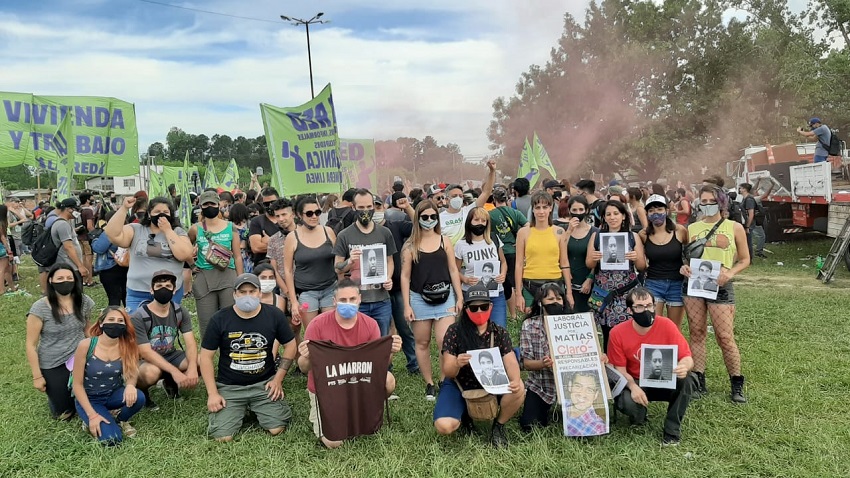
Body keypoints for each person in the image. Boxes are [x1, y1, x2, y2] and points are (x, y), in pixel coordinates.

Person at [298, 280, 402, 448]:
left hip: (357, 383)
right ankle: (339, 415)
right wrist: (306, 357)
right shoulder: (317, 325)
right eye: (343, 300)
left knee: (388, 380)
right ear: (334, 301)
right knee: (334, 442)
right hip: (328, 387)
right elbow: (304, 368)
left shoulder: (370, 324)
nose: (348, 304)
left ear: (359, 299)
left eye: (352, 299)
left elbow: (377, 366)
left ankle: (367, 409)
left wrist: (389, 351)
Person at [200, 273, 297, 442]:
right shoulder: (219, 319)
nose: (247, 296)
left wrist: (278, 379)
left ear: (259, 293)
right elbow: (206, 357)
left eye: (252, 291)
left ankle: (255, 406)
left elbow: (290, 345)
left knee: (277, 428)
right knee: (223, 437)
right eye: (242, 292)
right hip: (230, 387)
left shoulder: (274, 315)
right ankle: (240, 407)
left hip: (263, 384)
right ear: (234, 295)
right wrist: (213, 393)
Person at [434, 283, 525, 448]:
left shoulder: (499, 332)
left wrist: (515, 379)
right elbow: (447, 370)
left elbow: (510, 359)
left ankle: (499, 425)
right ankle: (464, 414)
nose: (479, 312)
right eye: (473, 308)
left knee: (519, 387)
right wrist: (457, 363)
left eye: (484, 307)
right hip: (460, 384)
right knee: (444, 426)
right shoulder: (454, 331)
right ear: (466, 309)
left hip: (492, 383)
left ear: (491, 307)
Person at [681, 184, 750, 403]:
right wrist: (684, 267)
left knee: (725, 337)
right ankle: (699, 380)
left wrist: (730, 273)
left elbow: (745, 259)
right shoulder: (692, 228)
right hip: (695, 285)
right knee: (697, 332)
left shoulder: (734, 227)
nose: (708, 205)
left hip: (721, 285)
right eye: (704, 201)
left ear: (721, 203)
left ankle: (736, 383)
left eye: (712, 201)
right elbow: (686, 256)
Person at [608, 287, 695, 446]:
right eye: (639, 307)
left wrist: (683, 366)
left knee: (687, 380)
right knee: (627, 404)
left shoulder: (667, 325)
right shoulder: (617, 333)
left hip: (664, 377)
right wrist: (633, 387)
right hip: (635, 379)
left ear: (655, 306)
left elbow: (687, 357)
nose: (646, 310)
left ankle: (671, 430)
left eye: (649, 305)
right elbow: (619, 370)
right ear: (630, 310)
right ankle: (640, 414)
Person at [401, 199, 464, 401]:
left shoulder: (444, 241)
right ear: (418, 219)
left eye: (433, 217)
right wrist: (407, 305)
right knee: (422, 342)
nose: (429, 220)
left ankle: (444, 380)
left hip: (446, 297)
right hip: (419, 298)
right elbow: (405, 276)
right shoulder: (410, 246)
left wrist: (459, 295)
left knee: (444, 342)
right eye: (425, 217)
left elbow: (454, 269)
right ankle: (429, 382)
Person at [25, 264, 95, 419]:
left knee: (93, 397)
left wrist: (101, 349)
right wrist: (37, 376)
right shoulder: (39, 308)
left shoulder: (84, 302)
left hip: (80, 357)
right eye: (60, 278)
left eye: (69, 278)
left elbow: (87, 329)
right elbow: (31, 345)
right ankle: (57, 396)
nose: (65, 281)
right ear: (51, 281)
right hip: (53, 362)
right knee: (65, 414)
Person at [105, 196, 193, 312]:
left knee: (165, 327)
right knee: (136, 326)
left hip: (169, 291)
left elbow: (185, 255)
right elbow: (113, 235)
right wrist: (124, 208)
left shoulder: (178, 232)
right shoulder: (136, 229)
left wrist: (167, 230)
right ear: (149, 214)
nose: (161, 215)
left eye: (165, 212)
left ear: (171, 215)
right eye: (157, 212)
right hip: (138, 291)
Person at [71, 307, 145, 445]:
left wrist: (130, 386)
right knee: (112, 440)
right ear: (101, 323)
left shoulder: (128, 345)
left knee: (139, 397)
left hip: (112, 394)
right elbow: (77, 385)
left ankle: (120, 419)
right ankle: (90, 418)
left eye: (120, 321)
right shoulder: (86, 345)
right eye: (111, 320)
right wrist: (92, 416)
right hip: (90, 399)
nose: (115, 323)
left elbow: (132, 372)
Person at [332, 190, 397, 336]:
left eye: (368, 207)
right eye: (361, 208)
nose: (366, 211)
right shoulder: (345, 235)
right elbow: (337, 268)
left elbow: (389, 261)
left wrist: (388, 278)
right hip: (356, 301)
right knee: (357, 340)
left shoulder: (385, 233)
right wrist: (349, 261)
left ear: (373, 206)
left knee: (382, 340)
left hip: (381, 299)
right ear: (354, 208)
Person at [131, 270, 199, 408]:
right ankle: (142, 392)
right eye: (159, 286)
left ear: (174, 290)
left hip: (170, 354)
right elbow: (145, 352)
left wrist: (192, 368)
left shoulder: (180, 311)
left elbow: (190, 342)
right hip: (145, 359)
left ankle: (169, 382)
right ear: (151, 290)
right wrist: (175, 372)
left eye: (168, 286)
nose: (163, 289)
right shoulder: (139, 315)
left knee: (200, 361)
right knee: (151, 373)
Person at [586, 200, 647, 350]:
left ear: (623, 216)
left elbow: (642, 266)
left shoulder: (633, 236)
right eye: (608, 214)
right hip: (604, 293)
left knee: (628, 330)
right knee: (607, 331)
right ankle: (610, 367)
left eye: (616, 213)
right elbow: (589, 264)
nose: (612, 217)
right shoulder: (597, 237)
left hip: (627, 291)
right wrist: (594, 259)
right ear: (604, 218)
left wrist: (636, 257)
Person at [189, 190, 243, 336]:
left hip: (228, 276)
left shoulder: (230, 227)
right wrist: (192, 266)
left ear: (219, 205)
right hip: (204, 278)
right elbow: (185, 250)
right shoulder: (195, 229)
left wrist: (241, 280)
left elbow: (237, 256)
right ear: (201, 206)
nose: (209, 206)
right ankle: (208, 355)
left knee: (231, 321)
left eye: (212, 203)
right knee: (207, 324)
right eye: (205, 204)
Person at [284, 196, 339, 333]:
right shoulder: (292, 237)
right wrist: (294, 301)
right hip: (307, 292)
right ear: (299, 215)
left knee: (330, 331)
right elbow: (288, 270)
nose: (314, 216)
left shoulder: (328, 232)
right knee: (312, 333)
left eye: (317, 212)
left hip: (330, 289)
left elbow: (339, 261)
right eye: (309, 213)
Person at [519, 283, 568, 431]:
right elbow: (526, 364)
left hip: (572, 386)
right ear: (540, 302)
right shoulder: (529, 325)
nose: (555, 302)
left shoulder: (574, 323)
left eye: (559, 298)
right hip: (541, 385)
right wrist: (543, 363)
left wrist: (599, 357)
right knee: (530, 425)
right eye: (550, 299)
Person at [514, 191, 574, 312]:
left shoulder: (559, 232)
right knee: (532, 321)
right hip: (530, 284)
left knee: (554, 322)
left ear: (551, 208)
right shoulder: (523, 233)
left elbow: (564, 263)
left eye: (545, 207)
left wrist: (569, 292)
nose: (541, 211)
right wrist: (518, 293)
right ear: (533, 209)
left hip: (555, 283)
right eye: (538, 208)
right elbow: (519, 264)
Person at [454, 207, 509, 327]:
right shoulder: (461, 245)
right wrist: (465, 279)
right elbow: (454, 270)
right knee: (473, 330)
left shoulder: (494, 239)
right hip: (472, 294)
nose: (480, 223)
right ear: (469, 222)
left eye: (483, 221)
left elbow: (503, 262)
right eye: (476, 220)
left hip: (495, 294)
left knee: (499, 328)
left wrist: (503, 274)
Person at [640, 194, 688, 328]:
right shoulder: (643, 235)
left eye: (659, 209)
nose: (656, 213)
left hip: (677, 283)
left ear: (666, 211)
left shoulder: (679, 231)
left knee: (673, 328)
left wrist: (687, 266)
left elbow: (690, 253)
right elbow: (640, 261)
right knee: (655, 326)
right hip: (653, 283)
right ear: (647, 213)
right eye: (651, 211)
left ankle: (674, 349)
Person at [489, 186, 527, 319]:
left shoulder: (490, 215)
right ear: (506, 198)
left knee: (505, 283)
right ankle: (516, 311)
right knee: (514, 281)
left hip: (498, 252)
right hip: (514, 251)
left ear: (494, 199)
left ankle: (512, 313)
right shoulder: (515, 212)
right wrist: (520, 239)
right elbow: (528, 226)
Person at [39, 198, 91, 295]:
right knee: (74, 295)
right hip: (68, 265)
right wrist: (80, 266)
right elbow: (68, 247)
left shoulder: (62, 223)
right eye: (76, 210)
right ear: (69, 209)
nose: (77, 212)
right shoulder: (63, 224)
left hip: (67, 264)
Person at [439, 159, 497, 244]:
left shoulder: (469, 211)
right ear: (447, 199)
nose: (458, 198)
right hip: (450, 255)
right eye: (454, 196)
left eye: (460, 196)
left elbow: (486, 192)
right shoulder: (439, 218)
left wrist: (492, 171)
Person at [563, 196, 596, 313]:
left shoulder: (594, 232)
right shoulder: (563, 229)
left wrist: (590, 279)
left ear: (586, 210)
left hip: (586, 283)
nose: (578, 213)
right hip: (567, 282)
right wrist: (568, 231)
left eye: (581, 210)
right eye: (575, 210)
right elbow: (560, 251)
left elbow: (597, 259)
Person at [91, 211, 129, 306]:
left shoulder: (110, 232)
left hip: (110, 267)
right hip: (127, 265)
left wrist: (94, 240)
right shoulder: (129, 230)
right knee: (127, 298)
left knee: (114, 299)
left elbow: (99, 248)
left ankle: (114, 319)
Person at [563, 371, 607, 436]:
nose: (582, 394)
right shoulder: (563, 406)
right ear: (570, 386)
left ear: (596, 395)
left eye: (589, 390)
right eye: (578, 386)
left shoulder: (597, 427)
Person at [248, 187, 282, 264]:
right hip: (264, 267)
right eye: (266, 204)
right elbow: (256, 248)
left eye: (273, 202)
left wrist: (270, 242)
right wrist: (283, 245)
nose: (270, 205)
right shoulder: (256, 221)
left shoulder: (286, 219)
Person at [77, 192, 97, 287]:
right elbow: (89, 226)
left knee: (83, 258)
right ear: (88, 199)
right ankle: (89, 280)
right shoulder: (88, 211)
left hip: (78, 236)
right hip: (86, 237)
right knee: (89, 258)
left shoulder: (79, 210)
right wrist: (95, 234)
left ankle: (84, 279)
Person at [0, 205, 16, 295]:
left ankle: (12, 287)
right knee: (2, 270)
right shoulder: (2, 223)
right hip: (2, 248)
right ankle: (1, 289)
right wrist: (9, 251)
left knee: (7, 269)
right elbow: (3, 238)